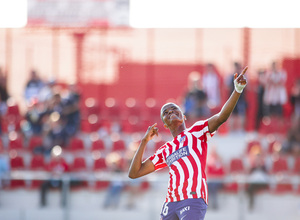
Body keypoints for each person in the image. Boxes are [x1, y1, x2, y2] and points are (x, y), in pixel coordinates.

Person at [128, 66, 248, 220]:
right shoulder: (165, 150)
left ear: (183, 116)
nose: (170, 112)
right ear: (164, 124)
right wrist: (144, 142)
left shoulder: (196, 132)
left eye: (174, 109)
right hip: (170, 202)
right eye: (166, 113)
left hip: (193, 197)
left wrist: (237, 90)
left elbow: (221, 117)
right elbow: (134, 173)